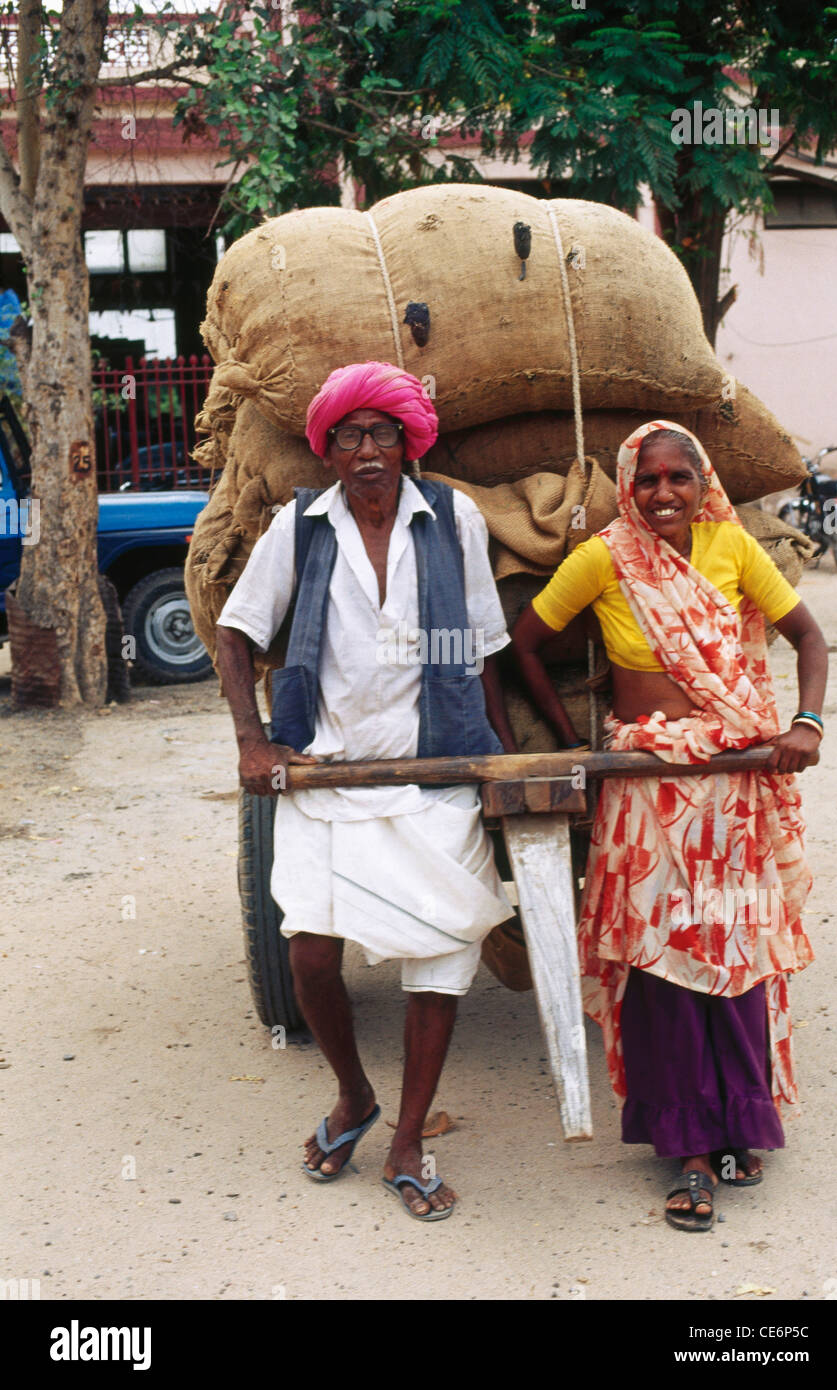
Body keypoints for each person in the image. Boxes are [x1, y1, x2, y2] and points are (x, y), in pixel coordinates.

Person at [216, 361, 516, 1222]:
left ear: (407, 442)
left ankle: (409, 1136)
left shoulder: (452, 517)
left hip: (433, 778)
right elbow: (237, 630)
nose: (366, 450)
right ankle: (353, 1094)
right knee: (309, 952)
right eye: (347, 436)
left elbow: (483, 644)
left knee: (438, 963)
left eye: (381, 432)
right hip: (327, 774)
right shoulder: (301, 525)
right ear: (328, 450)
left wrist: (492, 757)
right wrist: (251, 738)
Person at [512, 420, 826, 1231]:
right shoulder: (603, 558)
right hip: (646, 792)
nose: (661, 494)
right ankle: (687, 1150)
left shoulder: (731, 548)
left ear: (700, 482)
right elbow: (523, 645)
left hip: (730, 787)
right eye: (646, 480)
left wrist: (805, 724)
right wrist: (578, 740)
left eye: (676, 479)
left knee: (734, 949)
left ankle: (739, 1128)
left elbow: (806, 636)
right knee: (661, 961)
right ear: (627, 487)